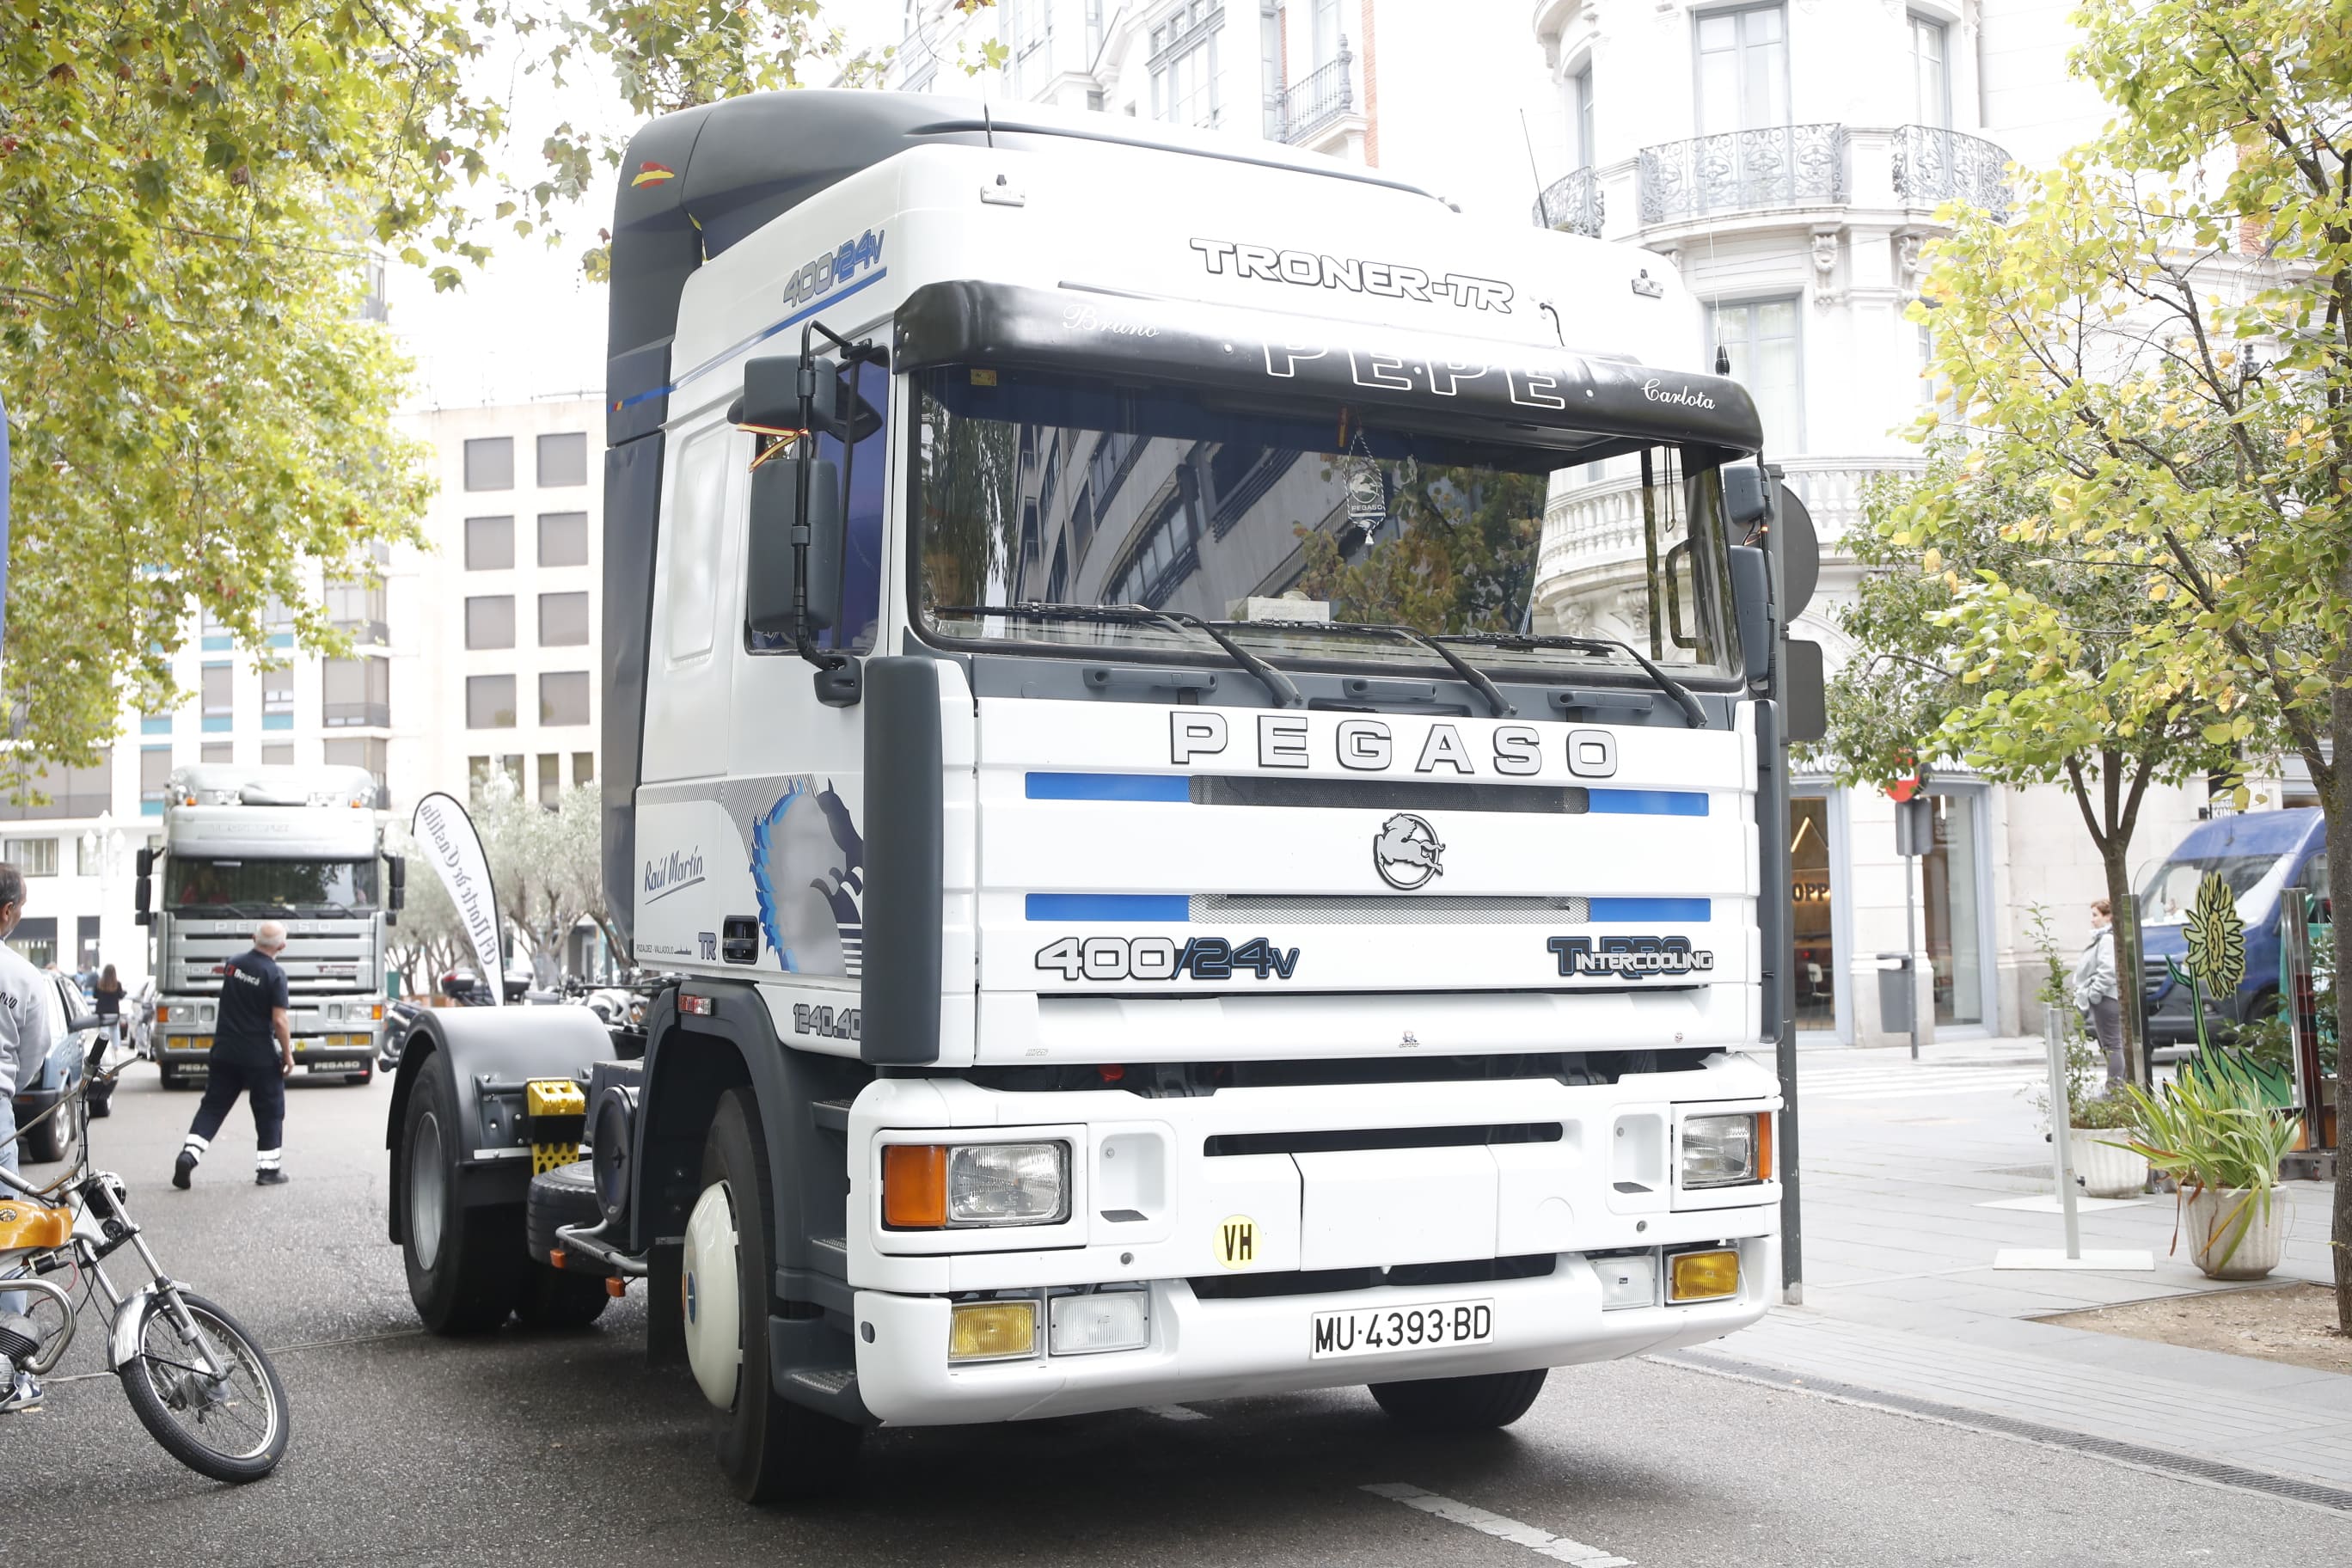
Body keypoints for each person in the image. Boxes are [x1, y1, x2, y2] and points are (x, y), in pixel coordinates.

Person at [174, 921, 294, 1189]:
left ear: (254, 938)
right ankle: (268, 1170)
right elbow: (280, 1021)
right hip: (259, 1055)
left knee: (213, 1107)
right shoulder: (275, 974)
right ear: (282, 946)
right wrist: (288, 1056)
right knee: (270, 1110)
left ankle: (188, 1155)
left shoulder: (233, 964)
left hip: (225, 1051)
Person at [0, 863, 58, 1411]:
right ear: (9, 911)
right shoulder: (23, 977)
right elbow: (35, 1056)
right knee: (7, 1238)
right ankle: (12, 1372)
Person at [2072, 897, 2124, 1088]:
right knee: (2109, 1045)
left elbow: (2108, 970)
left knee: (2111, 1045)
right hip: (2105, 998)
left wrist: (2094, 993)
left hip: (2106, 998)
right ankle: (2116, 1087)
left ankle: (2114, 1088)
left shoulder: (2107, 939)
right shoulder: (2104, 939)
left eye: (2096, 915)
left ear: (2108, 916)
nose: (2092, 920)